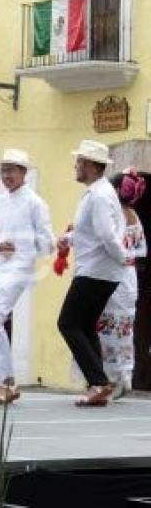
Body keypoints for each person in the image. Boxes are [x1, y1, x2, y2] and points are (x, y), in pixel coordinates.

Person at [57, 140, 131, 407]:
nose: (75, 166)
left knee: (67, 323)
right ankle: (98, 384)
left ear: (88, 165)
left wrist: (123, 259)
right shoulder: (98, 193)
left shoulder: (99, 195)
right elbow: (91, 230)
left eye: (78, 162)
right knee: (85, 325)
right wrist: (69, 237)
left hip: (96, 270)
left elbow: (106, 235)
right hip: (99, 270)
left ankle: (99, 383)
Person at [0, 149, 54, 404]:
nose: (7, 175)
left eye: (12, 170)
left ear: (24, 173)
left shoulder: (35, 203)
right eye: (4, 170)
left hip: (19, 269)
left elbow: (47, 243)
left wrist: (19, 245)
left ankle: (7, 381)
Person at [90, 169, 146, 399]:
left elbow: (106, 243)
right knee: (123, 326)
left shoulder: (114, 215)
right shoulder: (134, 215)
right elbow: (140, 249)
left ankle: (110, 378)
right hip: (129, 277)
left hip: (111, 274)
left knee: (103, 324)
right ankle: (123, 376)